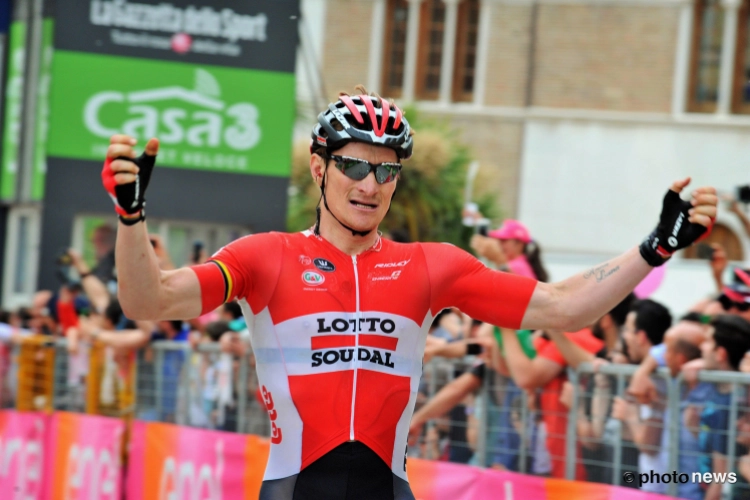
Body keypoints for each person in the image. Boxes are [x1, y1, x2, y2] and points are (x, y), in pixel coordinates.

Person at [101, 85, 718, 500]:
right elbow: (149, 302)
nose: (370, 185)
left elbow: (562, 306)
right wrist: (132, 220)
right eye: (354, 166)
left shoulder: (430, 266)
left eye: (386, 169)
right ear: (319, 168)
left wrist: (654, 247)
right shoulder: (265, 256)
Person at [470, 219, 548, 281]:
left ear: (519, 244)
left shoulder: (518, 266)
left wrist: (499, 260)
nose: (499, 244)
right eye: (498, 240)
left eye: (504, 240)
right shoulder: (515, 263)